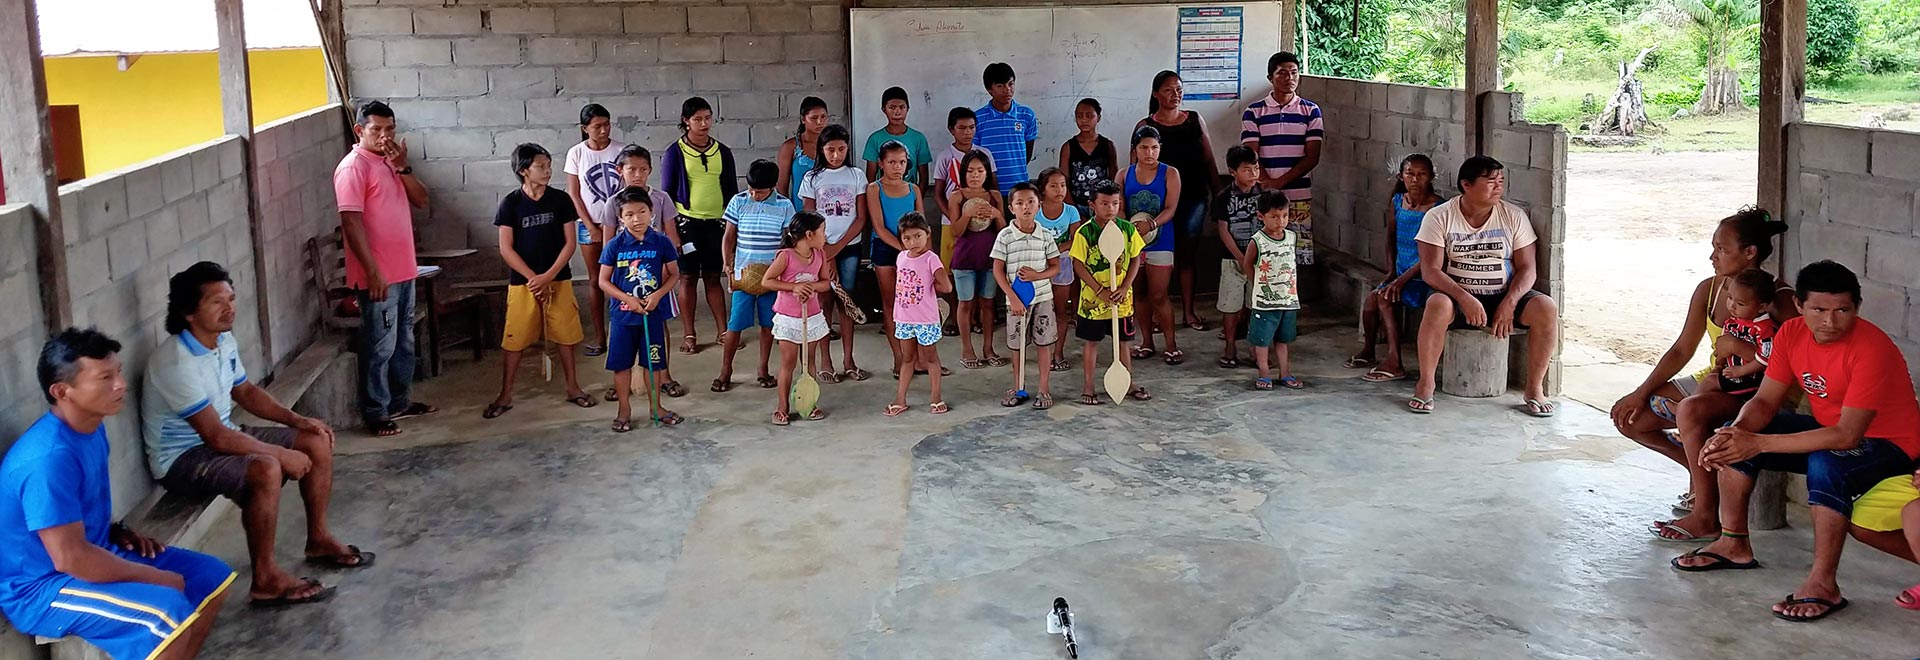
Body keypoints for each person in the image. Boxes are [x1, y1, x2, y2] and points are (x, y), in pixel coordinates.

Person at [1672, 261, 1920, 624]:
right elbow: (1764, 402)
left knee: (1825, 460)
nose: (1831, 322)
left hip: (1891, 445)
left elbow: (1847, 435)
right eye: (1819, 310)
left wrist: (1757, 444)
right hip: (1831, 432)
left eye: (1842, 311)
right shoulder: (1790, 334)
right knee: (1733, 435)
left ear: (1857, 307)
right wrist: (1738, 433)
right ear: (1800, 306)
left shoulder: (1872, 348)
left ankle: (1823, 585)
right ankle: (1734, 542)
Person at [142, 262, 368, 606]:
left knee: (315, 440)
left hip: (222, 436)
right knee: (266, 468)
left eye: (231, 299)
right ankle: (265, 578)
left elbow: (245, 392)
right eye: (217, 302)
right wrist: (280, 454)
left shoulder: (222, 341)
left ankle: (319, 538)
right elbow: (215, 437)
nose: (229, 308)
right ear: (189, 312)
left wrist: (297, 420)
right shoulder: (176, 362)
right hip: (182, 459)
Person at [1, 329, 233, 660]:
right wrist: (156, 577)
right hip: (44, 588)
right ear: (62, 391)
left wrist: (118, 530)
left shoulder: (91, 429)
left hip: (92, 553)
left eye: (119, 372)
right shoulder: (48, 458)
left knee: (210, 577)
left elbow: (80, 511)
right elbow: (70, 559)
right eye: (105, 377)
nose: (120, 384)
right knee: (166, 615)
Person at [1609, 208, 1795, 541]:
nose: (1713, 256)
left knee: (1691, 410)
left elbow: (1787, 361)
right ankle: (1700, 477)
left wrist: (1740, 348)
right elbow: (1682, 349)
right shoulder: (1709, 290)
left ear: (1749, 253)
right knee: (1631, 419)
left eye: (1722, 249)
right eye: (1714, 247)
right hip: (1716, 380)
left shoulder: (1778, 300)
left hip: (1757, 391)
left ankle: (1705, 514)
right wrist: (1640, 392)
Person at [1407, 156, 1559, 416]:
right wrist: (1464, 297)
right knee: (1437, 304)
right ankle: (1426, 383)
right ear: (1466, 185)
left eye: (1501, 181)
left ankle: (1534, 389)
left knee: (1545, 307)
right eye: (1491, 182)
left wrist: (1510, 302)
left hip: (1502, 294)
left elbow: (1528, 268)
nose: (1498, 187)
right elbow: (1431, 271)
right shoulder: (1439, 216)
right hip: (1456, 295)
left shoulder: (1513, 216)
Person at [333, 100, 435, 437]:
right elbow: (351, 222)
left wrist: (403, 167)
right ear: (360, 130)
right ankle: (376, 412)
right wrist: (373, 271)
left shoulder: (391, 163)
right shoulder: (353, 167)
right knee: (380, 344)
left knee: (402, 340)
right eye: (376, 129)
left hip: (404, 270)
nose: (384, 136)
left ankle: (398, 402)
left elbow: (421, 200)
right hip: (378, 276)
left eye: (390, 129)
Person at [483, 143, 596, 420]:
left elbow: (570, 243)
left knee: (566, 336)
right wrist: (534, 279)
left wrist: (548, 276)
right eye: (541, 166)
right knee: (515, 339)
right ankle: (505, 394)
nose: (548, 171)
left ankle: (573, 387)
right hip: (524, 284)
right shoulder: (511, 204)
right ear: (523, 171)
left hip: (558, 279)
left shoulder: (560, 200)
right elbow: (506, 249)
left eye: (548, 165)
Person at [1138, 70, 1220, 332]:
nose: (1175, 95)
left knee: (1187, 256)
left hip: (1194, 197)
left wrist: (1218, 193)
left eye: (1179, 89)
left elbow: (1208, 159)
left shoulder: (1195, 120)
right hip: (1156, 206)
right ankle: (1156, 315)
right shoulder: (1146, 127)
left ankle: (1188, 312)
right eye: (1168, 90)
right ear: (1155, 94)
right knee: (1156, 258)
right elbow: (1135, 169)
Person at [1349, 154, 1442, 382]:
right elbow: (1390, 237)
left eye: (1422, 174)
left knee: (1385, 298)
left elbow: (1432, 256)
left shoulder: (1438, 208)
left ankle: (1394, 361)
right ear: (1401, 176)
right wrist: (1391, 271)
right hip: (1401, 272)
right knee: (1372, 300)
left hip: (1425, 276)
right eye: (1410, 173)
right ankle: (1369, 350)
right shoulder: (1397, 202)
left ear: (1430, 177)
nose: (1415, 179)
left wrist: (1400, 281)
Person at [598, 188, 683, 431]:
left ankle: (656, 407)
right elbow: (603, 281)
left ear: (652, 212)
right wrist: (627, 299)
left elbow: (674, 273)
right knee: (621, 365)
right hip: (623, 318)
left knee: (653, 363)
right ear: (621, 218)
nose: (637, 219)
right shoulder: (615, 245)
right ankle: (624, 410)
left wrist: (658, 294)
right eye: (630, 214)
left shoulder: (661, 242)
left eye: (642, 212)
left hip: (652, 316)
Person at [607, 144, 687, 401]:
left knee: (658, 326)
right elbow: (608, 241)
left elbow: (671, 235)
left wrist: (665, 273)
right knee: (622, 330)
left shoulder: (661, 198)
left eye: (643, 169)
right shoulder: (613, 203)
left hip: (657, 274)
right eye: (632, 169)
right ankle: (622, 382)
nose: (638, 175)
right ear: (620, 171)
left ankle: (664, 375)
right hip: (623, 282)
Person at [659, 97, 737, 356]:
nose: (704, 124)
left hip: (717, 224)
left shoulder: (722, 151)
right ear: (685, 121)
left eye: (707, 118)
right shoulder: (675, 152)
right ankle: (689, 333)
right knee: (688, 278)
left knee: (714, 277)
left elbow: (731, 191)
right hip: (686, 224)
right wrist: (671, 234)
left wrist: (732, 226)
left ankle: (723, 331)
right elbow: (666, 196)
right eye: (697, 119)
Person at [798, 124, 870, 382]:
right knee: (824, 303)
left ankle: (849, 360)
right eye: (830, 149)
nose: (836, 155)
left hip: (848, 247)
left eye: (841, 149)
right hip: (820, 250)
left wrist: (836, 248)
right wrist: (824, 252)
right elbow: (808, 218)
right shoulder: (812, 178)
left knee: (846, 301)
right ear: (822, 149)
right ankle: (826, 361)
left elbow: (861, 218)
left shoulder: (856, 175)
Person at [716, 159, 793, 393]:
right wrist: (727, 263)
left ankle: (763, 370)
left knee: (768, 325)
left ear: (773, 187)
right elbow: (729, 236)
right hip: (742, 275)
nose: (754, 194)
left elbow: (787, 241)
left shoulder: (785, 206)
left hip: (772, 277)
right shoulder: (738, 202)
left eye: (759, 191)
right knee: (735, 325)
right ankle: (725, 371)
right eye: (751, 189)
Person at [1240, 51, 1322, 266]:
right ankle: (1264, 299)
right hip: (1264, 196)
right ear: (1270, 77)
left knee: (1298, 255)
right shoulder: (1254, 112)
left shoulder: (1311, 111)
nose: (1290, 78)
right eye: (1282, 73)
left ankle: (1293, 299)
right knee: (1265, 256)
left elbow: (1312, 157)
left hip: (1298, 195)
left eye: (1294, 73)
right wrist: (1268, 184)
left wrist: (1280, 183)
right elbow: (1252, 154)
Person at [1071, 180, 1148, 405]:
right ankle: (1088, 386)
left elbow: (1135, 258)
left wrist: (1125, 287)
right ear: (1092, 205)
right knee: (1091, 343)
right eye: (1104, 203)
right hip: (1093, 303)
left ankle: (1128, 382)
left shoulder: (1127, 229)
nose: (1110, 208)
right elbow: (1078, 265)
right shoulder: (1085, 232)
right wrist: (1099, 290)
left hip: (1122, 301)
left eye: (1115, 203)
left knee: (1123, 343)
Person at [993, 181, 1063, 410]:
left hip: (1042, 298)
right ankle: (1019, 387)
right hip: (1016, 302)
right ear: (1011, 208)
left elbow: (1055, 267)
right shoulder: (1005, 236)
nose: (1026, 207)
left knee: (1044, 345)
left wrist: (1037, 275)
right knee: (1017, 346)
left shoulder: (1045, 235)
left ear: (1039, 205)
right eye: (1020, 203)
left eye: (1031, 202)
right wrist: (1012, 297)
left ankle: (1043, 389)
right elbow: (998, 270)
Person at [565, 103, 626, 358]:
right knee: (595, 280)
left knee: (620, 279)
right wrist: (591, 226)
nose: (603, 130)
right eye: (597, 126)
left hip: (620, 225)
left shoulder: (621, 150)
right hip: (588, 226)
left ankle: (620, 334)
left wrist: (614, 224)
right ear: (584, 128)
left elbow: (626, 190)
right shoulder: (577, 153)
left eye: (607, 124)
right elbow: (574, 193)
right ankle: (600, 337)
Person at [1119, 125, 1183, 366]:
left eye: (1154, 148)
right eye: (1144, 148)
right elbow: (1120, 206)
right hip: (1132, 243)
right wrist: (1128, 227)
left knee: (1159, 294)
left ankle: (1171, 345)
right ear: (1135, 150)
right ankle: (1147, 342)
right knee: (1140, 295)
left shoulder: (1170, 174)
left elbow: (1171, 208)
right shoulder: (1124, 174)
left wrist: (1151, 224)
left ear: (1160, 149)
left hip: (1161, 242)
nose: (1149, 153)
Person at [762, 212, 834, 425]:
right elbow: (768, 281)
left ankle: (808, 403)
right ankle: (782, 406)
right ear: (809, 234)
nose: (825, 235)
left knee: (808, 361)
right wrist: (794, 287)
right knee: (788, 362)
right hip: (789, 318)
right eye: (822, 231)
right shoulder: (786, 256)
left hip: (811, 316)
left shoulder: (820, 255)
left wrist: (809, 287)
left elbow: (825, 283)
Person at [865, 141, 925, 377]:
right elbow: (879, 227)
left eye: (901, 162)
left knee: (916, 305)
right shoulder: (874, 189)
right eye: (891, 162)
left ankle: (919, 358)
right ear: (881, 163)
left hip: (914, 251)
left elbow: (922, 225)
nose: (897, 167)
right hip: (887, 249)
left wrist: (920, 253)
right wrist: (904, 250)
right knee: (893, 306)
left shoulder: (914, 189)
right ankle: (899, 359)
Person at [885, 214, 952, 416]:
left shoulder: (932, 259)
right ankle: (900, 399)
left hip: (926, 319)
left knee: (930, 357)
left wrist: (930, 285)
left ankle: (936, 397)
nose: (912, 242)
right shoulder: (901, 257)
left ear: (928, 234)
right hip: (904, 318)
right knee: (908, 359)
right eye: (907, 238)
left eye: (917, 236)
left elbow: (947, 287)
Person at [947, 151, 1006, 370]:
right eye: (970, 171)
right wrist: (967, 214)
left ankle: (989, 348)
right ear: (963, 173)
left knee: (988, 304)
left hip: (991, 259)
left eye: (980, 170)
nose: (975, 175)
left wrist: (997, 215)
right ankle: (967, 348)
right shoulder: (957, 196)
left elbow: (1004, 232)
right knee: (965, 303)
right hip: (964, 259)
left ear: (987, 172)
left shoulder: (995, 196)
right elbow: (955, 231)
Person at [1240, 192, 1304, 390]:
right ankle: (1264, 373)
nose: (1281, 221)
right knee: (1262, 340)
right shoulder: (1257, 241)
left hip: (1288, 300)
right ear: (1261, 217)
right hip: (1265, 302)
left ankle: (1285, 372)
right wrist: (1259, 284)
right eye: (1274, 217)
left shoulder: (1291, 237)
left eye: (1284, 215)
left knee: (1283, 340)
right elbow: (1247, 264)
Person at [1213, 145, 1264, 368]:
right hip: (1232, 260)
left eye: (1256, 168)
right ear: (1233, 172)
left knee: (1256, 305)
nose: (1253, 174)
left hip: (1260, 261)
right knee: (1230, 305)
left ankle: (1256, 349)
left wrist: (1254, 258)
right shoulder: (1224, 197)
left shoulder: (1265, 195)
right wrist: (1241, 258)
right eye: (1247, 170)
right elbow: (1224, 230)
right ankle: (1230, 346)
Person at [931, 107, 996, 279]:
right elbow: (937, 194)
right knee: (951, 269)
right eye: (961, 128)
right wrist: (955, 219)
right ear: (951, 129)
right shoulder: (945, 156)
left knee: (981, 267)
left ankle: (976, 306)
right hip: (951, 222)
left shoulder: (985, 154)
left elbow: (992, 188)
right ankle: (954, 306)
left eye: (971, 127)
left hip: (982, 222)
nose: (967, 132)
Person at [1695, 268, 1779, 398]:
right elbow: (1723, 351)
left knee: (1710, 383)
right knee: (1711, 381)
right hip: (1733, 374)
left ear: (1762, 307)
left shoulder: (1765, 328)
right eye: (1730, 298)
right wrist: (1719, 366)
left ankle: (1680, 408)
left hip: (1753, 381)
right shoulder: (1732, 322)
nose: (1731, 305)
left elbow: (1767, 359)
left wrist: (1741, 371)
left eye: (1740, 303)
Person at [1033, 167, 1082, 372]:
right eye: (1053, 186)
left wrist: (1054, 251)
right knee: (1041, 311)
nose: (1059, 190)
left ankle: (1058, 352)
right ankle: (1042, 351)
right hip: (1039, 266)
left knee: (1061, 311)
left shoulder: (1071, 211)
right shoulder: (1035, 210)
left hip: (1062, 265)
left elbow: (1075, 239)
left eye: (1062, 185)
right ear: (1042, 190)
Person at [974, 62, 1039, 197]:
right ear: (989, 89)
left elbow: (1027, 152)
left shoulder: (1026, 115)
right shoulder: (977, 119)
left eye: (1011, 84)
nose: (1007, 90)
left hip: (1019, 190)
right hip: (989, 191)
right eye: (1000, 86)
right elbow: (976, 156)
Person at [862, 86, 933, 188]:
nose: (897, 112)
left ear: (907, 109)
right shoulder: (874, 139)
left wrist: (916, 200)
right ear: (884, 109)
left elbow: (924, 178)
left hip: (910, 198)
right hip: (881, 198)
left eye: (902, 107)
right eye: (892, 107)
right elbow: (870, 178)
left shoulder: (918, 138)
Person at [1059, 98, 1118, 220]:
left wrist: (1108, 205)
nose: (1084, 120)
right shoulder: (1068, 147)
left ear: (1099, 118)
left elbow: (1114, 179)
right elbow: (1063, 182)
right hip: (1076, 205)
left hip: (1102, 205)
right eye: (1079, 116)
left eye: (1089, 116)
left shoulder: (1108, 145)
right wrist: (1074, 212)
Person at [778, 96, 831, 214]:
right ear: (803, 119)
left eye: (823, 117)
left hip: (830, 211)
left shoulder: (833, 146)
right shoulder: (791, 147)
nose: (819, 122)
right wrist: (787, 215)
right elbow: (782, 186)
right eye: (814, 118)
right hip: (800, 212)